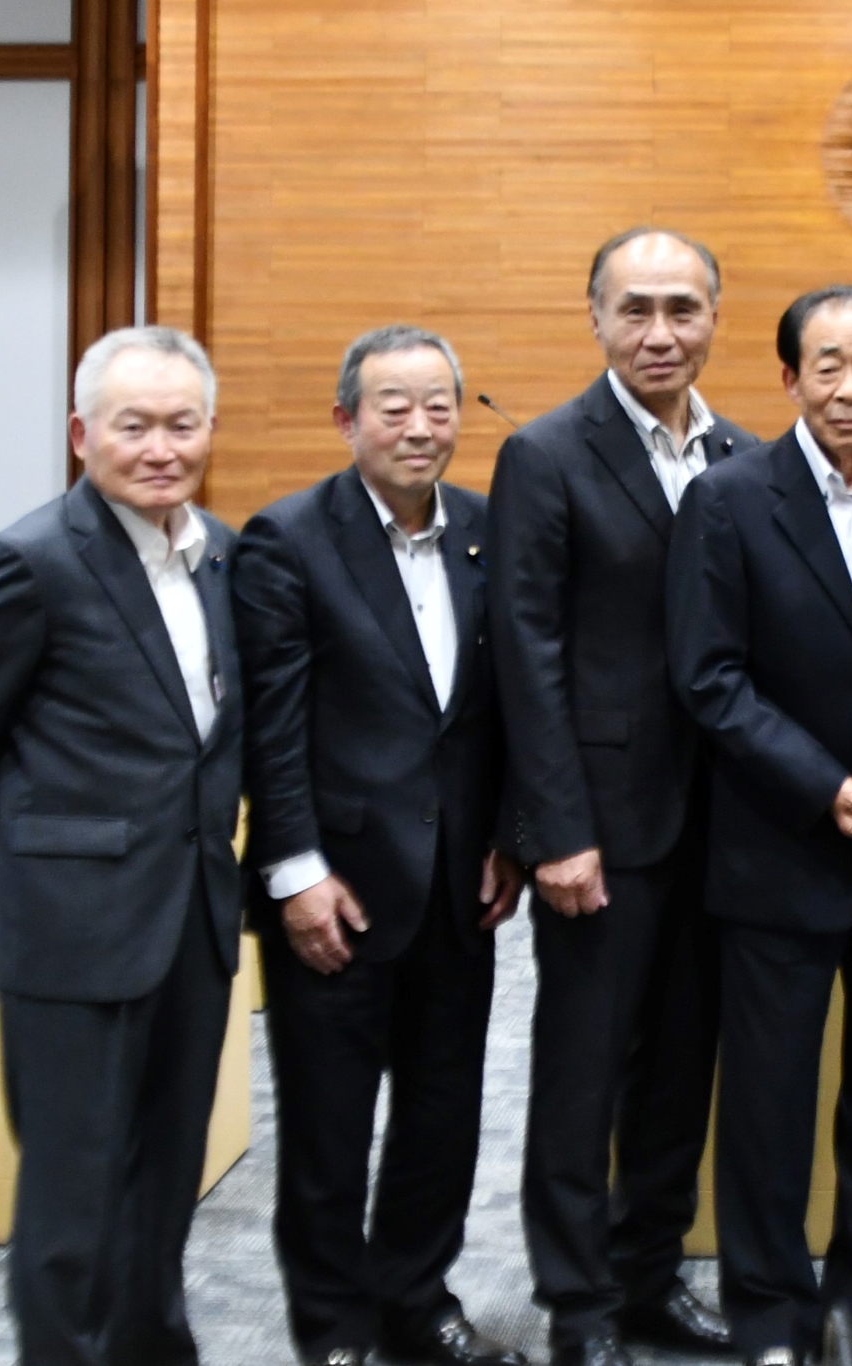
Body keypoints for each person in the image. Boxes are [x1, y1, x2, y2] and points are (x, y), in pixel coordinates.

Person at [0, 326, 244, 1366]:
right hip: (70, 932)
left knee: (164, 1177)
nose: (158, 447)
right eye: (131, 425)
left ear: (208, 431)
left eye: (180, 424)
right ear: (80, 433)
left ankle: (153, 1348)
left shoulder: (222, 552)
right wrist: (26, 865)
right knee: (74, 1198)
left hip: (189, 920)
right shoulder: (33, 559)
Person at [665, 285, 852, 1366]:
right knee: (767, 1104)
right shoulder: (728, 497)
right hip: (779, 842)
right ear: (788, 377)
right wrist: (820, 784)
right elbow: (707, 678)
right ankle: (769, 1320)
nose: (851, 386)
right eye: (827, 365)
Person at [232, 325, 527, 1366]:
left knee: (443, 1112)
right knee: (326, 1125)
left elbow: (496, 712)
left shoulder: (488, 532)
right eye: (392, 405)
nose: (418, 425)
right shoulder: (286, 539)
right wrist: (294, 870)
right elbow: (271, 726)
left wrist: (506, 839)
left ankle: (416, 1295)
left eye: (438, 404)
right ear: (345, 417)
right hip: (336, 890)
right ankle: (332, 1325)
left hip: (459, 884)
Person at [488, 227, 756, 1366]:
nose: (660, 332)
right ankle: (578, 1303)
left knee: (680, 1065)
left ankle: (649, 1275)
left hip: (727, 823)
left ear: (713, 318)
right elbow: (524, 650)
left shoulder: (746, 453)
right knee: (581, 1070)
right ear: (593, 316)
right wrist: (553, 827)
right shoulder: (545, 454)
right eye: (635, 309)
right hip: (599, 822)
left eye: (682, 309)